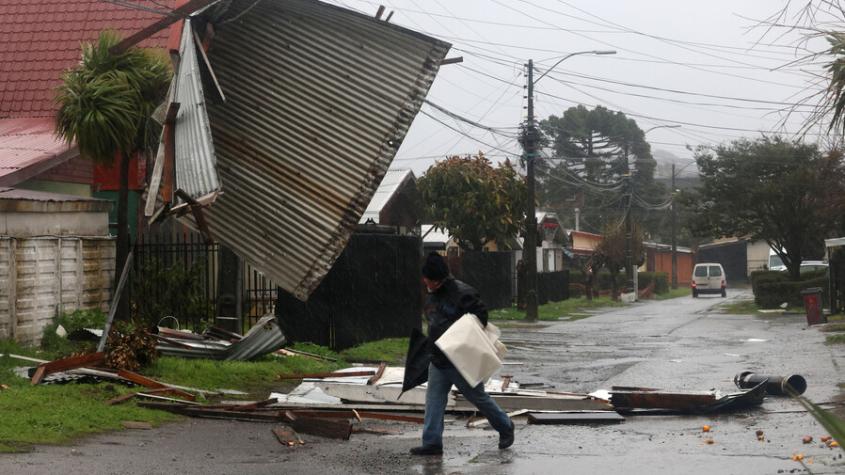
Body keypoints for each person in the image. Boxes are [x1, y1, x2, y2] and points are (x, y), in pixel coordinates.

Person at [410, 252, 515, 456]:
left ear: (438, 279)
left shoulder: (463, 293)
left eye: (428, 279)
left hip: (460, 361)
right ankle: (432, 442)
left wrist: (459, 336)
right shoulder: (432, 295)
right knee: (434, 401)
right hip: (438, 359)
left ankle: (505, 426)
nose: (425, 282)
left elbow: (481, 320)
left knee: (478, 397)